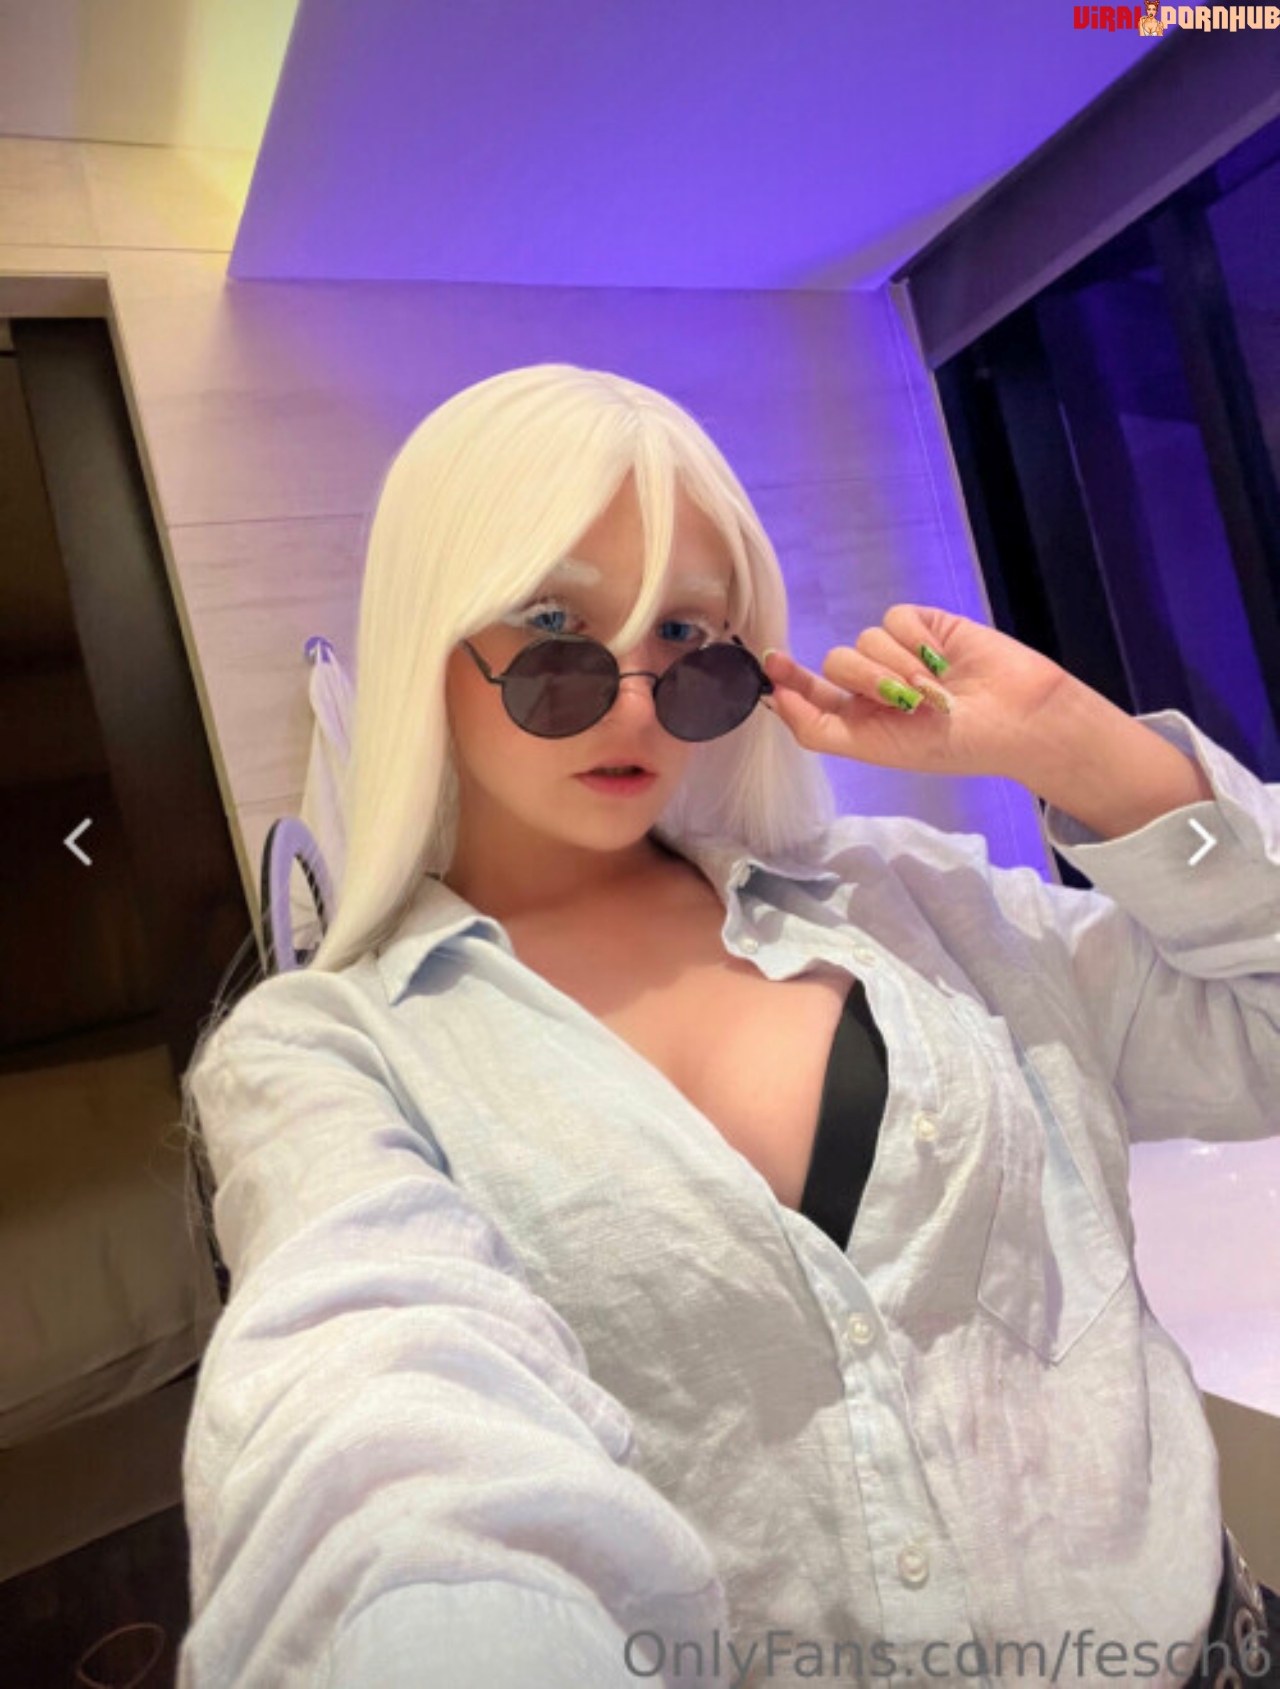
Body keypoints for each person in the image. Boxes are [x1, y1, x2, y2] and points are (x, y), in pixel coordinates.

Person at [176, 364, 1280, 1689]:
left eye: (689, 640)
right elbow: (376, 1418)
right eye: (554, 631)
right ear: (429, 643)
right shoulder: (329, 1055)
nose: (638, 705)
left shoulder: (910, 900)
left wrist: (1069, 744)